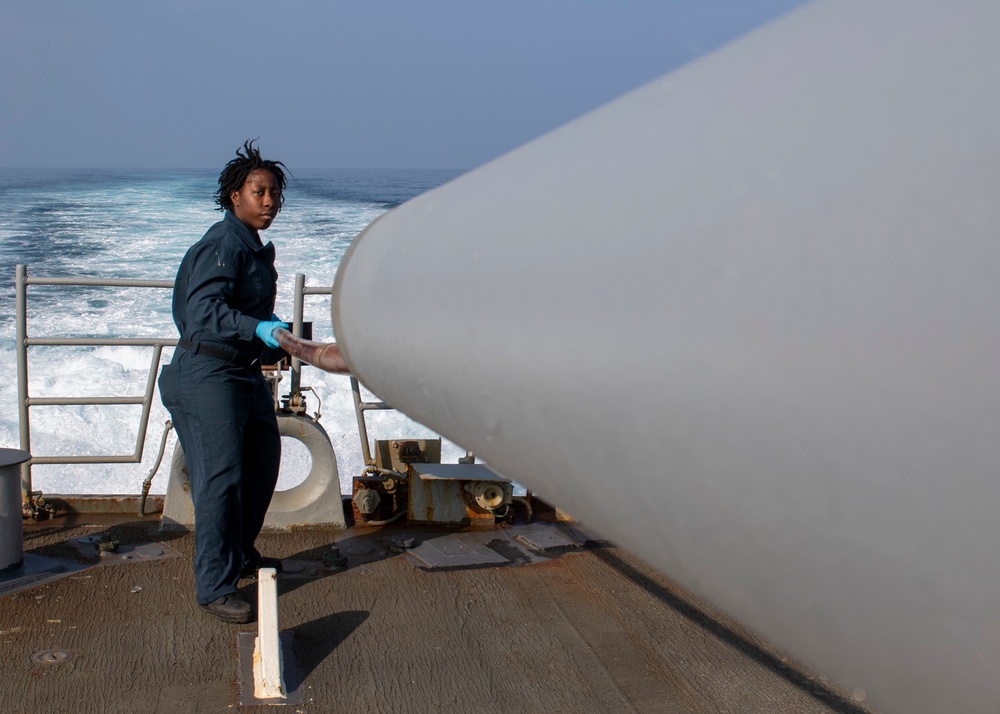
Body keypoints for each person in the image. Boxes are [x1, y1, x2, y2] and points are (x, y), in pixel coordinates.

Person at [158, 140, 290, 623]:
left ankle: (239, 553)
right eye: (260, 192)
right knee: (221, 480)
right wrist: (254, 326)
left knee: (263, 460)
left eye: (274, 193)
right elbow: (204, 311)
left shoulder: (253, 249)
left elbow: (242, 310)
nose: (270, 201)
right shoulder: (222, 244)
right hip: (205, 373)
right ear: (236, 196)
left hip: (241, 370)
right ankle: (215, 585)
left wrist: (272, 335)